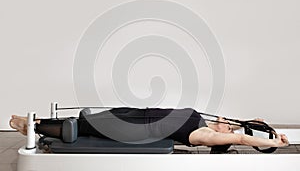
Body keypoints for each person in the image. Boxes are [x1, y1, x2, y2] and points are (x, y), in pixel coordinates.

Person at [9, 107, 289, 149]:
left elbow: (242, 138)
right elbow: (249, 126)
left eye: (231, 128)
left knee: (83, 127)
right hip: (133, 114)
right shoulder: (202, 120)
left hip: (133, 129)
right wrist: (268, 128)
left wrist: (276, 144)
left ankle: (30, 126)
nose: (229, 124)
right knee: (87, 120)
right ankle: (32, 125)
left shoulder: (205, 135)